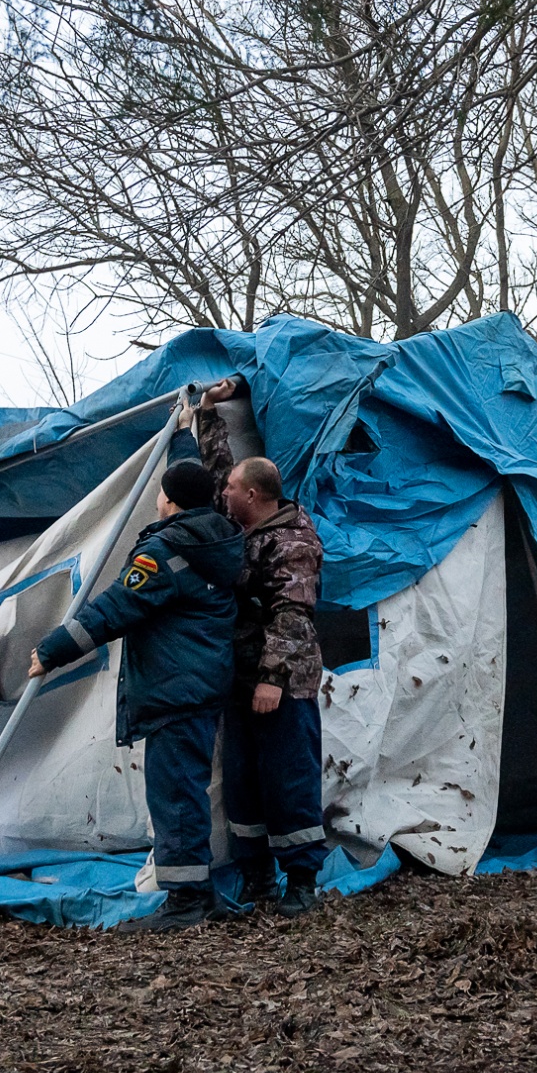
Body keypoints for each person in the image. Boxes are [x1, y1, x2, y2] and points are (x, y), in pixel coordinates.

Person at [29, 458, 243, 932]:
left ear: (168, 498)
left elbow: (118, 606)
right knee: (188, 790)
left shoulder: (166, 550)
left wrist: (53, 650)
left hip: (174, 688)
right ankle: (201, 892)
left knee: (175, 795)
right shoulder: (220, 540)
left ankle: (185, 902)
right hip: (203, 685)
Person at [194, 378, 329, 917]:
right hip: (240, 676)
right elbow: (213, 477)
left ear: (252, 495)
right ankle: (257, 878)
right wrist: (208, 416)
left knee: (289, 776)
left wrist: (272, 677)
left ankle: (301, 881)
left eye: (232, 488)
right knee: (245, 782)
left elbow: (293, 612)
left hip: (282, 683)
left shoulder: (293, 539)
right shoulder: (241, 525)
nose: (223, 494)